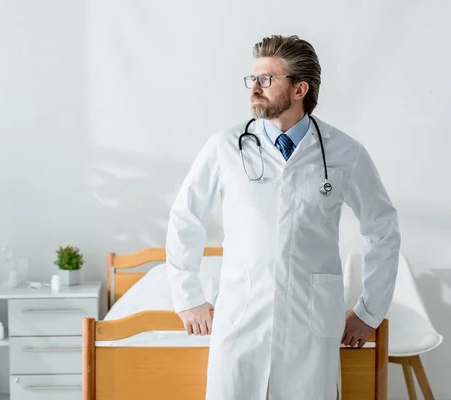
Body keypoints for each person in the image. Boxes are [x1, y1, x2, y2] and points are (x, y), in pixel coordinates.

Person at [165, 34, 401, 400]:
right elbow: (185, 217)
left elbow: (383, 229)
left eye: (266, 79)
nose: (254, 88)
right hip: (241, 316)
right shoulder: (225, 146)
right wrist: (188, 296)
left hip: (311, 321)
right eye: (253, 78)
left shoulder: (345, 152)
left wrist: (369, 312)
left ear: (299, 89)